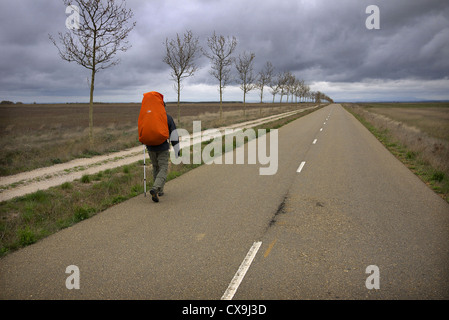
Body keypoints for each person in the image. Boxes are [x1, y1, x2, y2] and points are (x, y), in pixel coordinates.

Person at [147, 102, 179, 203]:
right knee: (163, 168)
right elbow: (174, 134)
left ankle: (159, 191)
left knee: (156, 167)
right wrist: (177, 149)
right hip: (163, 147)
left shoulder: (148, 117)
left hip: (150, 146)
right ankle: (156, 188)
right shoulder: (167, 118)